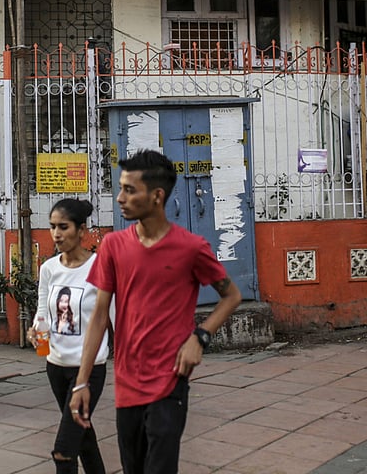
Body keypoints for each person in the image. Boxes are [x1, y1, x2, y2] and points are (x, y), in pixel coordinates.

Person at [69, 149, 242, 474]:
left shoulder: (191, 248)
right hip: (127, 382)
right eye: (120, 188)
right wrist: (82, 383)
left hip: (170, 381)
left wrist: (200, 337)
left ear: (157, 196)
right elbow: (99, 316)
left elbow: (231, 296)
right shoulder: (113, 246)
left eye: (129, 190)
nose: (120, 198)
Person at [29, 198, 111, 474]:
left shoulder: (100, 268)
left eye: (63, 227)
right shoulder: (49, 269)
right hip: (55, 366)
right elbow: (43, 312)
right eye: (52, 227)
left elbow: (110, 319)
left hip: (88, 370)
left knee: (64, 452)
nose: (56, 234)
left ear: (81, 230)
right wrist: (35, 330)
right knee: (82, 438)